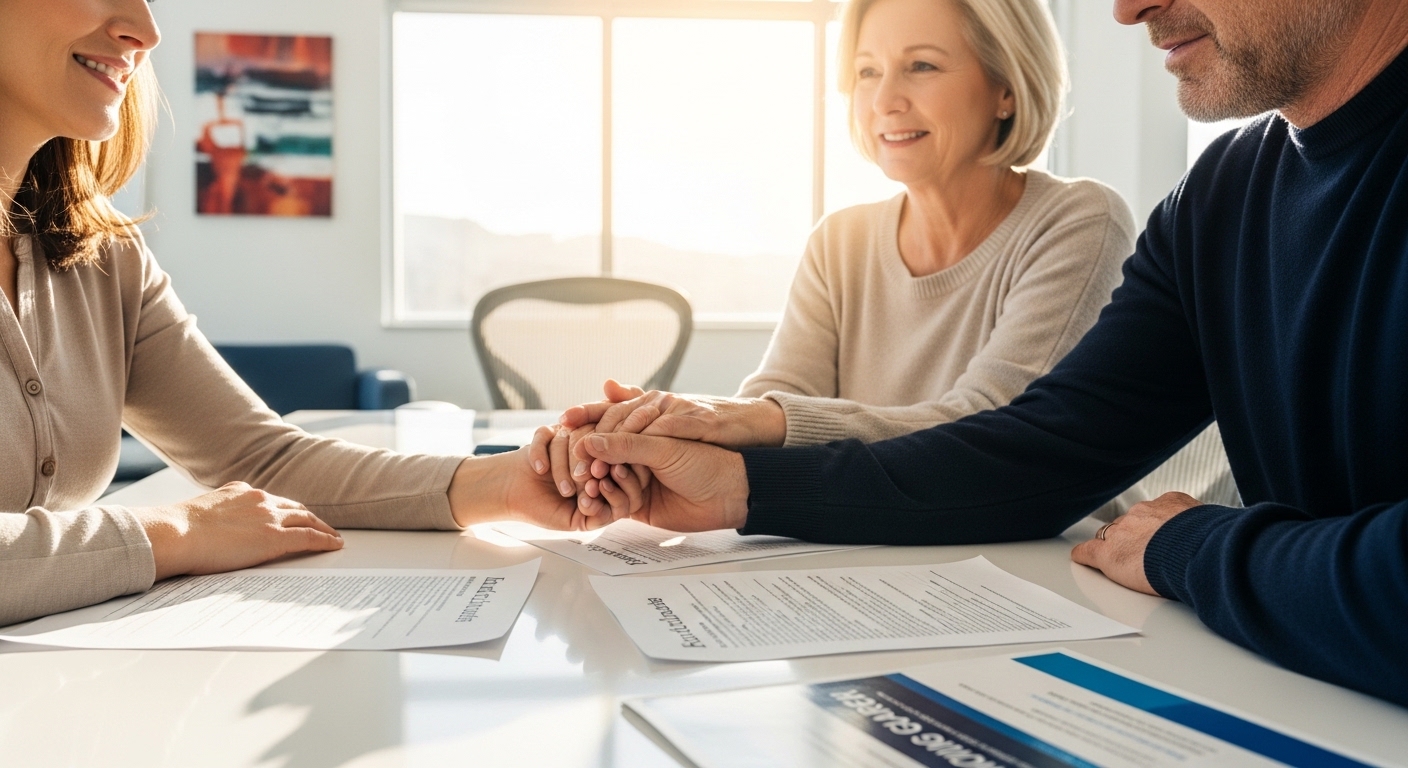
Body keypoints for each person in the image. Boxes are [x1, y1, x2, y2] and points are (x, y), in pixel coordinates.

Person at [564, 0, 1408, 706]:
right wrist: (742, 489)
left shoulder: (1092, 215)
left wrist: (1196, 548)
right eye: (866, 70)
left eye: (922, 66)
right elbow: (1038, 451)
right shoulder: (1224, 194)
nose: (1125, 9)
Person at [0, 0, 582, 628]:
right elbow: (195, 516)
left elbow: (261, 460)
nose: (145, 30)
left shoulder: (104, 254)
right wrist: (172, 532)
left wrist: (506, 485)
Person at [536, 0, 1237, 521]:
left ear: (1007, 87)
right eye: (867, 72)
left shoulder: (1077, 218)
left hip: (1039, 556)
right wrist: (640, 447)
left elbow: (994, 427)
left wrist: (753, 421)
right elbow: (772, 404)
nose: (885, 99)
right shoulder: (840, 240)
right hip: (865, 546)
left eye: (922, 66)